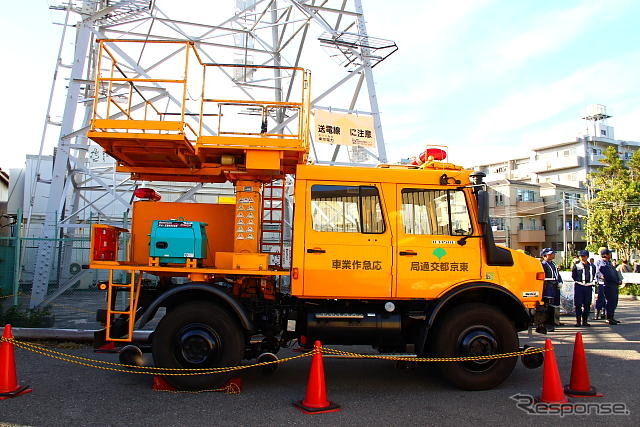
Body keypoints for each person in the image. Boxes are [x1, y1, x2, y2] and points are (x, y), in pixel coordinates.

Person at [595, 248, 622, 325]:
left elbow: (615, 273)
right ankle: (609, 318)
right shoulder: (602, 264)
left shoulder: (608, 263)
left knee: (614, 302)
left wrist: (619, 280)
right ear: (605, 255)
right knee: (610, 302)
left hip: (613, 285)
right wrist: (617, 281)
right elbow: (608, 275)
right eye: (609, 253)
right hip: (609, 285)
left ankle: (612, 317)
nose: (610, 255)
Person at [571, 250, 596, 327]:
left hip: (588, 286)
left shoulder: (592, 266)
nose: (582, 258)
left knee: (587, 304)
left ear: (587, 257)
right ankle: (578, 321)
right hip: (579, 286)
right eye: (581, 256)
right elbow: (574, 276)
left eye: (584, 256)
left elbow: (594, 274)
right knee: (578, 304)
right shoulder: (577, 266)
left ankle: (585, 321)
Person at [540, 248, 563, 326]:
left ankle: (556, 320)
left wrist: (560, 282)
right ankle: (547, 321)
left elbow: (557, 274)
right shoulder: (543, 264)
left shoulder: (553, 263)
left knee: (556, 303)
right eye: (551, 254)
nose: (553, 255)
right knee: (548, 303)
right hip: (548, 286)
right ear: (545, 255)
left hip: (555, 285)